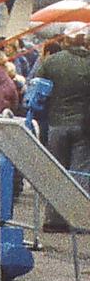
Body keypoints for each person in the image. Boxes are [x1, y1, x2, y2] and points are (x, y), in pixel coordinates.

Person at [33, 33, 90, 230]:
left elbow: (36, 87)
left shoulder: (52, 62)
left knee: (56, 170)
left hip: (56, 123)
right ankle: (78, 219)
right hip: (84, 125)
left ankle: (53, 219)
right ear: (84, 42)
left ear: (65, 41)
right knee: (80, 172)